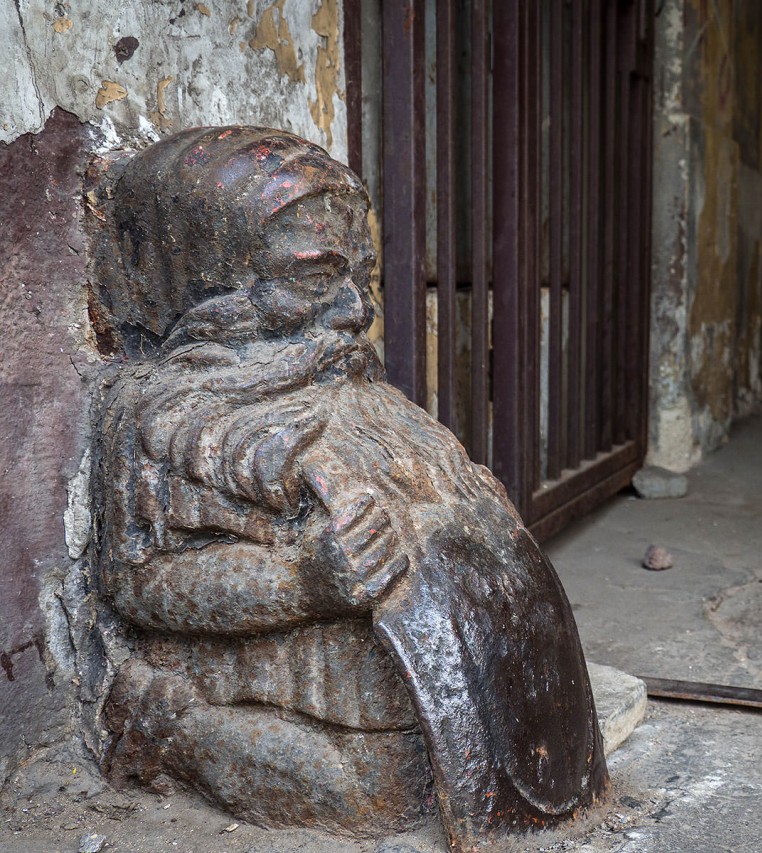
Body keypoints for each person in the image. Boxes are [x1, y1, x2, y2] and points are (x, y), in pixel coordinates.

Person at [92, 127, 607, 845]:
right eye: (312, 278)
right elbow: (137, 580)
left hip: (410, 673)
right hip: (283, 675)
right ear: (207, 282)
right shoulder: (165, 419)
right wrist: (302, 580)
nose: (355, 311)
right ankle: (166, 725)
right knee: (378, 792)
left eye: (357, 279)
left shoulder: (363, 400)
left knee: (429, 766)